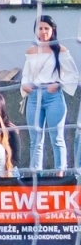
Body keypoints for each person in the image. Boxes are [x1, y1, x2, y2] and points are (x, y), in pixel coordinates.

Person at [21, 14, 77, 171]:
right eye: (40, 28)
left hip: (53, 96)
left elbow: (73, 74)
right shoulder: (31, 51)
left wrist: (58, 83)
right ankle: (35, 176)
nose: (43, 31)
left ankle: (60, 174)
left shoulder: (60, 50)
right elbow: (26, 74)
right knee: (35, 140)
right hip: (34, 96)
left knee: (57, 138)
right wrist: (24, 85)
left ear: (53, 30)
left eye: (46, 28)